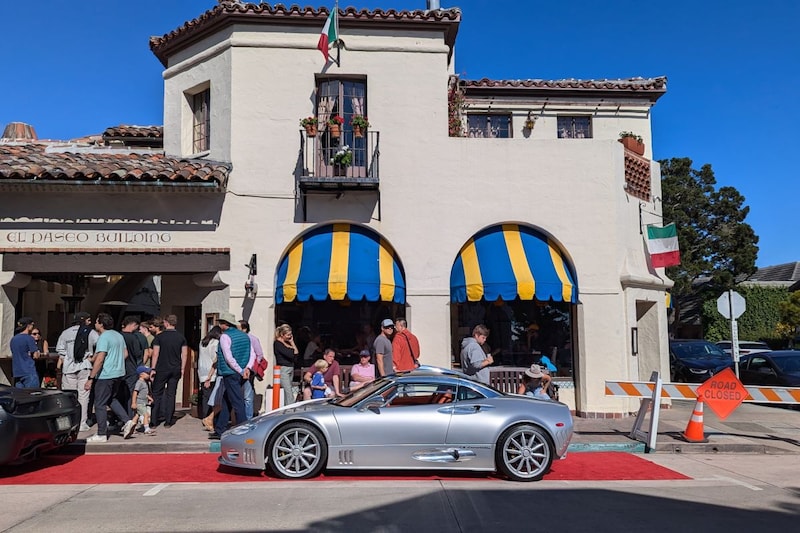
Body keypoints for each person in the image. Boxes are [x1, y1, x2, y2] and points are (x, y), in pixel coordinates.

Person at [85, 312, 135, 443]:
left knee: (100, 403)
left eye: (96, 321)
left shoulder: (104, 337)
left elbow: (100, 358)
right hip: (118, 372)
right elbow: (125, 354)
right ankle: (127, 420)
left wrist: (91, 377)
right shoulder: (118, 335)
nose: (95, 324)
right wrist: (115, 361)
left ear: (101, 324)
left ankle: (101, 433)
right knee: (110, 399)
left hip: (106, 374)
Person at [210, 312, 251, 440]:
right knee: (226, 400)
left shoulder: (225, 337)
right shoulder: (245, 336)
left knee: (237, 401)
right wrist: (246, 369)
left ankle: (244, 429)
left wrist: (239, 370)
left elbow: (228, 357)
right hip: (242, 371)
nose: (220, 325)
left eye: (221, 323)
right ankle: (220, 428)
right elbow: (252, 354)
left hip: (231, 372)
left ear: (225, 324)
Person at [55, 312, 99, 431]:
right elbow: (100, 345)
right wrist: (92, 358)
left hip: (69, 368)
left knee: (70, 396)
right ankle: (82, 422)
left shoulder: (65, 333)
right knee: (84, 396)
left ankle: (71, 421)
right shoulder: (90, 332)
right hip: (85, 366)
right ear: (84, 320)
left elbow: (60, 350)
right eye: (89, 320)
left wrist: (64, 361)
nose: (90, 322)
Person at [150, 314, 188, 429]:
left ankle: (154, 421)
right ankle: (168, 420)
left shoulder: (159, 337)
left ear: (166, 323)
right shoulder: (181, 337)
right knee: (171, 394)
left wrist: (153, 368)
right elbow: (184, 354)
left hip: (161, 368)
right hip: (175, 368)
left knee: (157, 394)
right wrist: (182, 368)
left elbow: (155, 353)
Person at [120, 316, 147, 418]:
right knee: (132, 395)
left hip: (119, 368)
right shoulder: (134, 337)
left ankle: (120, 418)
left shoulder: (118, 336)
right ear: (133, 325)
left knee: (119, 394)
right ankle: (131, 417)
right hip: (131, 368)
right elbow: (138, 354)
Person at [239, 319, 264, 419]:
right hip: (238, 369)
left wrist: (253, 366)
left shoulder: (252, 339)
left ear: (244, 329)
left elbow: (259, 354)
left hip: (249, 370)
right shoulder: (238, 339)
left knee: (247, 395)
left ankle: (248, 419)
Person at [198, 326, 222, 430]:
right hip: (211, 373)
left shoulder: (202, 342)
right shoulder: (215, 343)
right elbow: (215, 359)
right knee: (214, 398)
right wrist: (210, 375)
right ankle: (210, 419)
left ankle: (205, 416)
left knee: (205, 396)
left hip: (202, 371)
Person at [10, 317, 40, 389]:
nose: (33, 327)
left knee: (20, 397)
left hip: (17, 372)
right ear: (28, 326)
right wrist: (38, 352)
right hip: (29, 371)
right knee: (32, 396)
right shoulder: (29, 338)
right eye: (32, 325)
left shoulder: (13, 339)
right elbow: (36, 355)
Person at [273, 324, 299, 406]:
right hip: (283, 369)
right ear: (282, 334)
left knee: (288, 390)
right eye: (288, 335)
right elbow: (291, 355)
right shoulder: (278, 344)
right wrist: (292, 351)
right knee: (288, 392)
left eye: (291, 334)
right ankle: (290, 409)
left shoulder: (287, 343)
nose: (290, 336)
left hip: (290, 368)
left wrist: (292, 342)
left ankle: (288, 406)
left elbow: (296, 353)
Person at [131, 365, 155, 435]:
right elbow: (135, 393)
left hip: (143, 402)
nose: (149, 374)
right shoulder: (139, 382)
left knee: (137, 416)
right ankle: (147, 429)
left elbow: (144, 393)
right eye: (147, 373)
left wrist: (149, 397)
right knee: (146, 415)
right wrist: (133, 403)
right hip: (140, 403)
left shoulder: (145, 382)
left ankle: (131, 427)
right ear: (141, 374)